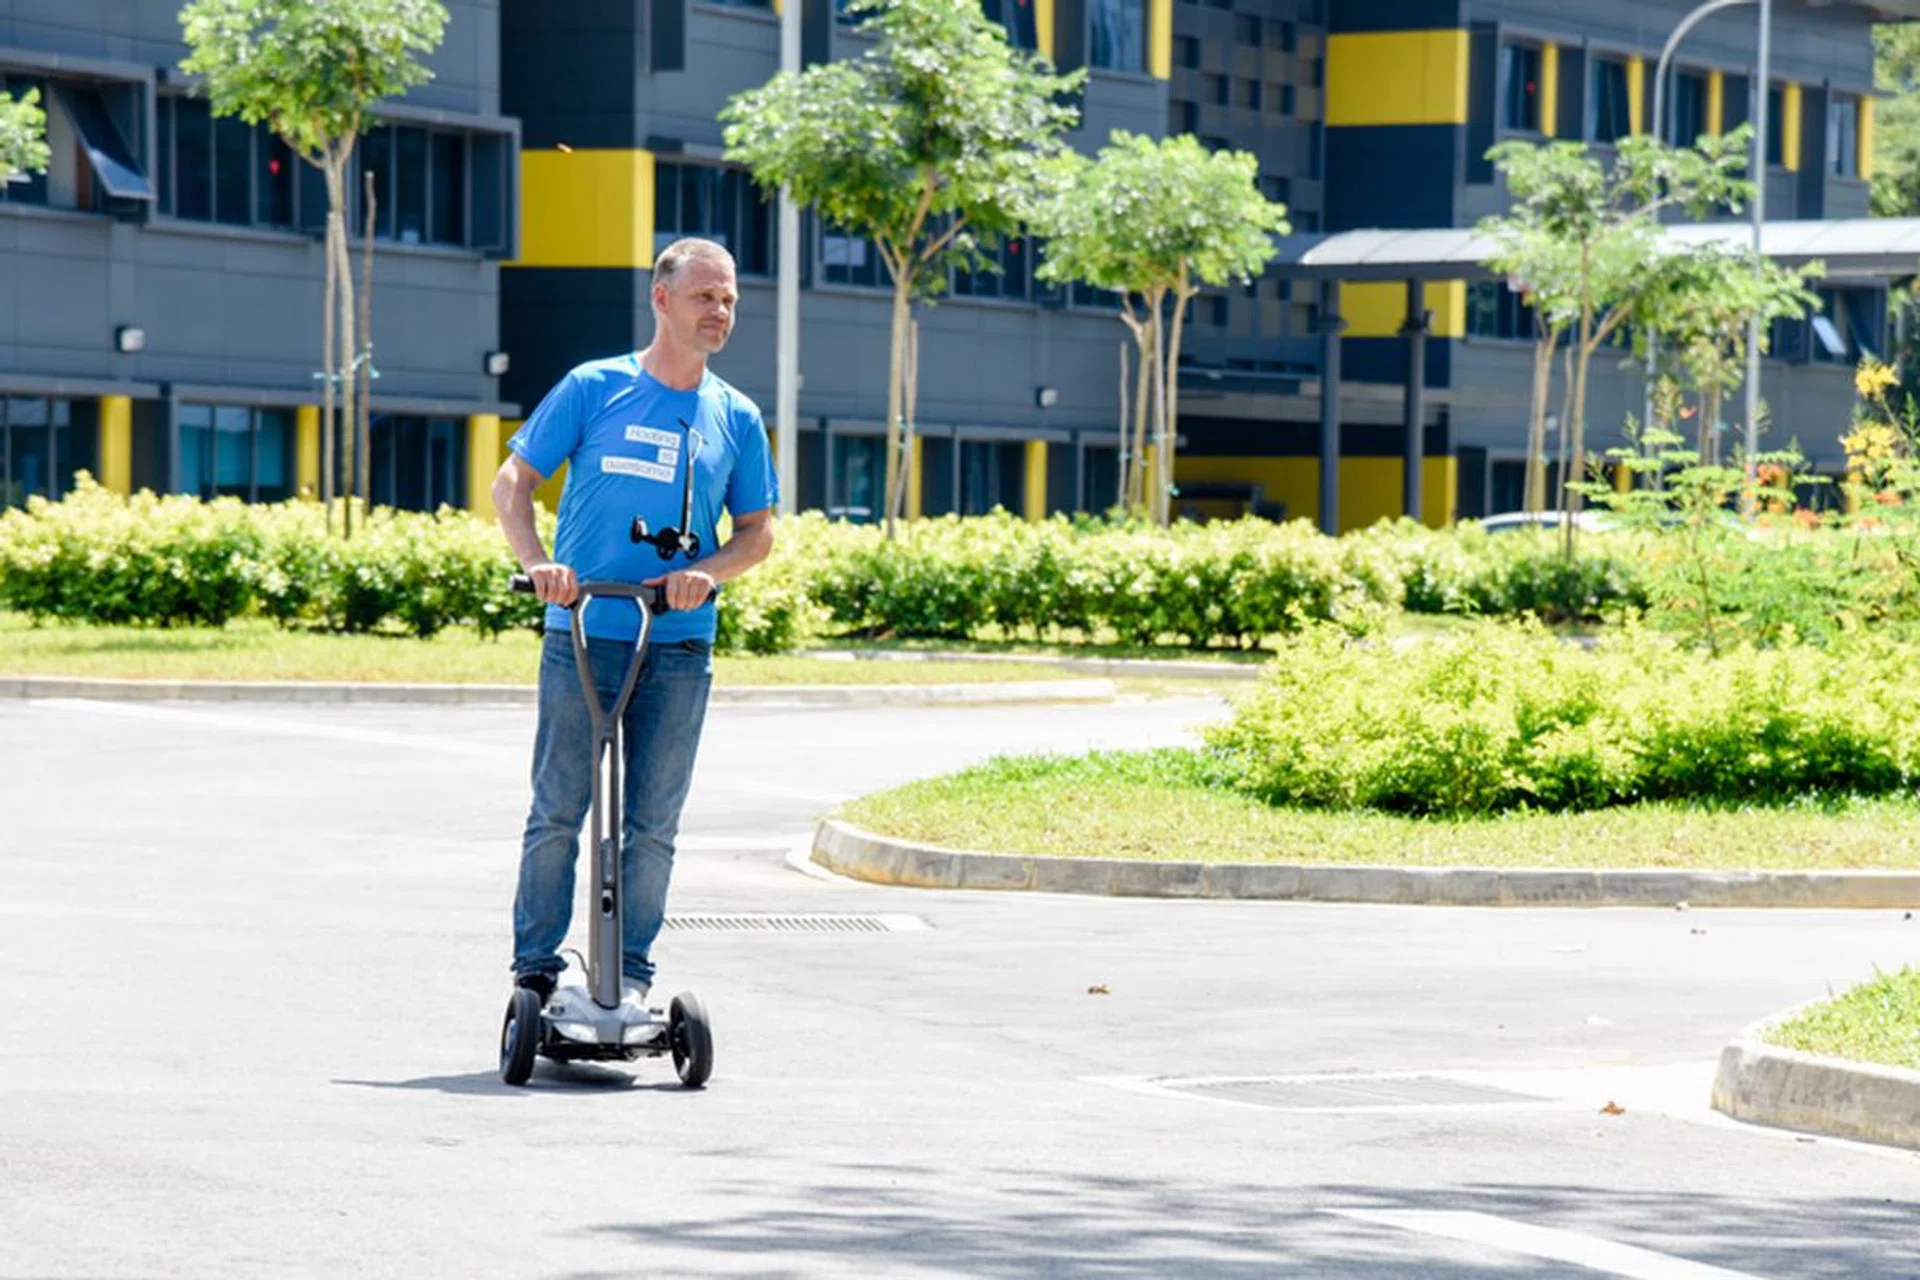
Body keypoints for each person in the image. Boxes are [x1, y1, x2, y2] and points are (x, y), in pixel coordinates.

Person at [491, 236, 776, 1008]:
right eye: (705, 297)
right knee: (558, 811)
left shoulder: (736, 417)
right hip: (585, 635)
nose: (720, 313)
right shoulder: (594, 387)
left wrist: (702, 574)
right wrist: (540, 562)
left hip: (679, 647)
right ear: (662, 299)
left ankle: (634, 978)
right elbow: (513, 480)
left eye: (729, 301)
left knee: (653, 825)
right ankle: (537, 971)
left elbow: (757, 533)